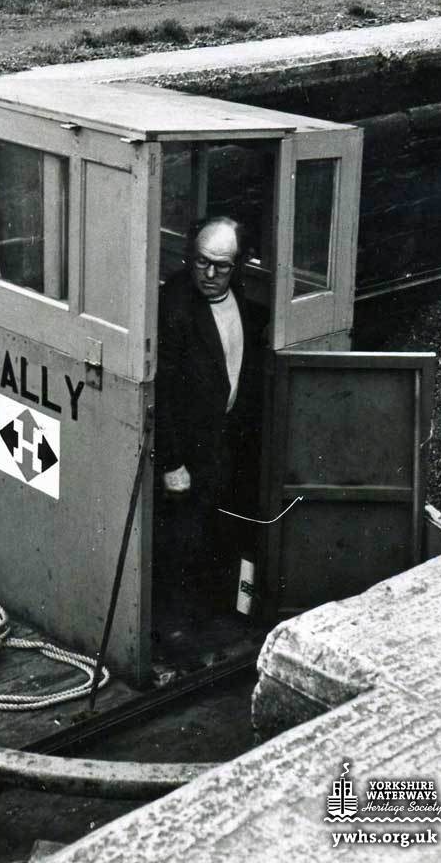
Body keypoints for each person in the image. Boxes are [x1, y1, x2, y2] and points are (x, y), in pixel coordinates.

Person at [154, 216, 260, 602]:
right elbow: (161, 391)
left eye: (221, 266)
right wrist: (171, 463)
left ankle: (215, 607)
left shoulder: (240, 295)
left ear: (238, 265)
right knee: (183, 542)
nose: (210, 274)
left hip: (226, 440)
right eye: (202, 262)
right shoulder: (175, 305)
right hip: (188, 453)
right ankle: (180, 622)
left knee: (218, 534)